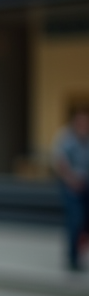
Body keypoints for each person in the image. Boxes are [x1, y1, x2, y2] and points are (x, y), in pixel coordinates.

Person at [53, 104, 89, 271]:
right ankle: (73, 258)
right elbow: (60, 162)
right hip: (71, 187)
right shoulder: (66, 137)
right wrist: (71, 180)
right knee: (75, 220)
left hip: (86, 187)